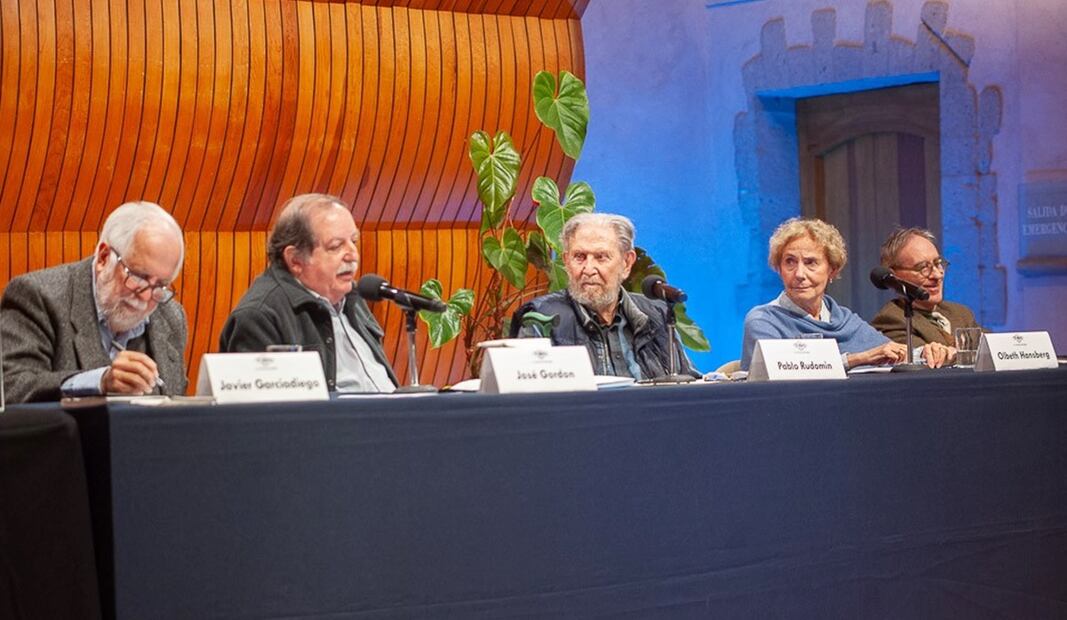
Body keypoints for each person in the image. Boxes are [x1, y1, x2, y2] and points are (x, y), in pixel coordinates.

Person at [1, 202, 188, 402]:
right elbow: (12, 385)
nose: (145, 296)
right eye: (138, 277)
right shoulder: (40, 297)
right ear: (103, 257)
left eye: (160, 285)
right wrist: (98, 382)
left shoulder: (170, 317)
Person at [219, 194, 397, 393]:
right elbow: (265, 416)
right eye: (336, 246)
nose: (353, 254)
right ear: (295, 260)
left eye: (354, 241)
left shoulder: (350, 296)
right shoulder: (259, 316)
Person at [740, 217, 953, 371]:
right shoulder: (763, 320)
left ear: (832, 270)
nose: (799, 274)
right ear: (778, 268)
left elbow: (889, 352)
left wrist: (924, 353)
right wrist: (856, 359)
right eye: (789, 262)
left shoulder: (843, 319)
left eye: (811, 263)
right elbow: (785, 373)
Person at [513, 212, 699, 380]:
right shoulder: (540, 319)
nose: (588, 269)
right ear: (566, 262)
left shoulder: (656, 315)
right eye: (579, 257)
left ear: (626, 263)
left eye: (601, 257)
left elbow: (690, 386)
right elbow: (530, 402)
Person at [871, 227, 981, 348]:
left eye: (938, 263)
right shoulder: (891, 320)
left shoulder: (960, 313)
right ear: (894, 275)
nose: (937, 275)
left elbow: (992, 348)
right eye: (923, 267)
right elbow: (926, 360)